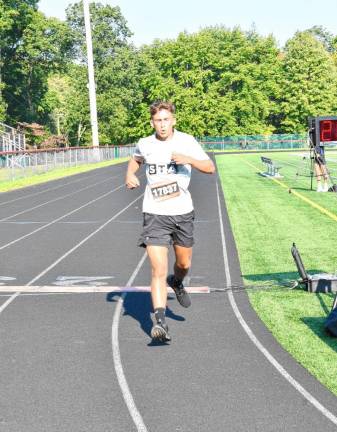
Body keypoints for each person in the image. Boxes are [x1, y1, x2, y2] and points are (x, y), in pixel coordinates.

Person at [125, 100, 215, 342]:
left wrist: (189, 159)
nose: (162, 125)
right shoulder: (145, 144)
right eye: (158, 120)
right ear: (152, 122)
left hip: (182, 212)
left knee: (183, 264)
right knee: (158, 268)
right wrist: (130, 174)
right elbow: (136, 160)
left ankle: (177, 282)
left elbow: (209, 167)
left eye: (166, 120)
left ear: (173, 120)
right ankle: (160, 322)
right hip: (154, 213)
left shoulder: (186, 141)